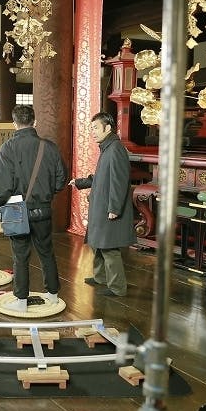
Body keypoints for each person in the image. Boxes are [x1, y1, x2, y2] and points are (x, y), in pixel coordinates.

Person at [0, 105, 68, 313]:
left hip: (16, 210)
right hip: (43, 209)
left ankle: (21, 301)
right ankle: (52, 294)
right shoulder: (49, 148)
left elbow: (2, 185)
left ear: (14, 124)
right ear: (35, 122)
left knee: (20, 255)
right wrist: (46, 193)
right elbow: (61, 180)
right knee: (46, 252)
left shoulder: (7, 148)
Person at [70, 111, 136, 297]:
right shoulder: (107, 148)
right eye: (91, 128)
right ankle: (100, 277)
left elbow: (119, 181)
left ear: (108, 128)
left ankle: (117, 287)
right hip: (100, 207)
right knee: (97, 243)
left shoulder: (115, 149)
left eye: (96, 128)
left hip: (108, 208)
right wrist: (80, 182)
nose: (92, 132)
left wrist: (114, 208)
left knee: (109, 247)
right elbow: (100, 177)